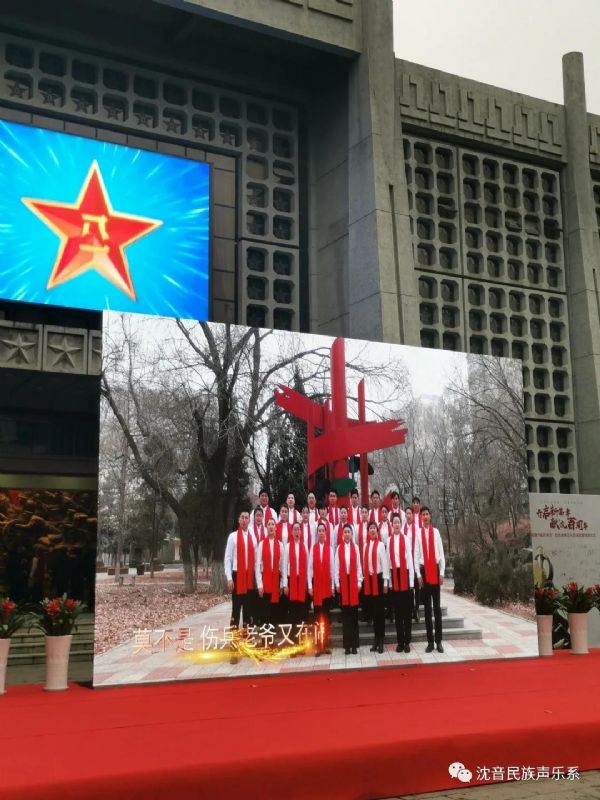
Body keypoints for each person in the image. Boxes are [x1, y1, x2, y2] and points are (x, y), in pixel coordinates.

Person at [224, 511, 257, 657]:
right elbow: (228, 558)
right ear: (239, 520)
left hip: (249, 578)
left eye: (246, 518)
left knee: (248, 612)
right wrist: (229, 577)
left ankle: (247, 642)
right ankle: (234, 645)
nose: (244, 520)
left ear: (249, 520)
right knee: (236, 611)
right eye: (242, 517)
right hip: (237, 576)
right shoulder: (233, 537)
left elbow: (255, 561)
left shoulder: (253, 538)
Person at [415, 506, 445, 653]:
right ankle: (430, 642)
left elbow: (441, 554)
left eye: (427, 514)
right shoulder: (418, 534)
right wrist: (418, 575)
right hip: (424, 572)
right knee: (427, 610)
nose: (425, 517)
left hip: (435, 570)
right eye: (423, 515)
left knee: (437, 609)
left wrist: (442, 572)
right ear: (421, 517)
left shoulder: (436, 532)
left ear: (430, 516)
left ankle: (439, 641)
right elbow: (416, 556)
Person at [387, 513, 414, 653]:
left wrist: (411, 582)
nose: (396, 524)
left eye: (398, 522)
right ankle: (400, 642)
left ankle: (407, 641)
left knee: (407, 613)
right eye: (394, 522)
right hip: (395, 576)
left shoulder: (406, 539)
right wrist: (390, 582)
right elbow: (388, 563)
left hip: (405, 575)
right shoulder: (389, 540)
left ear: (401, 524)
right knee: (398, 613)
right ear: (392, 525)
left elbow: (410, 560)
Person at [334, 523, 363, 655]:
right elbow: (336, 568)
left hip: (353, 582)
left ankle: (354, 644)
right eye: (345, 532)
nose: (346, 534)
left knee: (353, 615)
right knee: (346, 615)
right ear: (342, 534)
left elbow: (358, 566)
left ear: (351, 534)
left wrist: (359, 581)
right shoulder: (339, 548)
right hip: (343, 583)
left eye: (348, 532)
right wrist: (337, 583)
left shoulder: (355, 548)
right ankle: (347, 645)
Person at [362, 521, 389, 653]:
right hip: (369, 580)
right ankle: (375, 639)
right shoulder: (365, 546)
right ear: (368, 532)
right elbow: (364, 564)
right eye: (370, 528)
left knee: (380, 612)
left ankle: (381, 639)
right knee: (373, 612)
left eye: (374, 528)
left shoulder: (381, 545)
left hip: (378, 580)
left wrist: (385, 583)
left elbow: (385, 565)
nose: (372, 530)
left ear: (377, 531)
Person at [255, 518, 285, 629]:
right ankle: (265, 635)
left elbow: (283, 566)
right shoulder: (262, 544)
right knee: (265, 608)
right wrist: (259, 584)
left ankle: (272, 634)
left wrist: (282, 584)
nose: (271, 526)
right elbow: (258, 565)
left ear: (276, 528)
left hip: (276, 579)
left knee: (274, 608)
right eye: (269, 524)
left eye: (273, 524)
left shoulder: (280, 545)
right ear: (266, 527)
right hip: (265, 579)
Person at [285, 522, 312, 640]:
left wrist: (309, 584)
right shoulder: (287, 547)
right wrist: (285, 584)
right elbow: (284, 566)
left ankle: (302, 639)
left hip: (301, 581)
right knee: (292, 610)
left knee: (302, 610)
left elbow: (308, 567)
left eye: (298, 530)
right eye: (295, 530)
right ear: (291, 532)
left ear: (301, 532)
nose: (296, 532)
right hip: (291, 580)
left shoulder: (304, 546)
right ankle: (293, 639)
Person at [311, 522, 334, 655]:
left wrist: (332, 586)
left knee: (325, 616)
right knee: (317, 617)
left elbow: (332, 568)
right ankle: (317, 645)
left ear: (326, 533)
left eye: (322, 531)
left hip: (326, 587)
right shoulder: (313, 549)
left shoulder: (329, 549)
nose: (321, 533)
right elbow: (310, 569)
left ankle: (325, 644)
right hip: (317, 587)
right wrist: (310, 586)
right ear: (317, 533)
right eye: (319, 531)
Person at [403, 508, 420, 623]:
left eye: (410, 513)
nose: (408, 515)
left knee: (416, 587)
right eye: (407, 514)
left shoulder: (417, 528)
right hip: (406, 563)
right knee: (408, 587)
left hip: (415, 560)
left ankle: (416, 609)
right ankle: (409, 608)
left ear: (412, 516)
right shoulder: (402, 528)